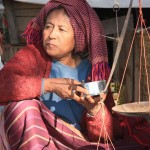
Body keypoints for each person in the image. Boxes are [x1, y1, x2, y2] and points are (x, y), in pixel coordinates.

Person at [0, 0, 150, 149]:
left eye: (61, 29)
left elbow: (106, 135)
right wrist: (49, 85)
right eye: (48, 27)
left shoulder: (93, 74)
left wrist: (94, 110)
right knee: (23, 107)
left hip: (75, 142)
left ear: (78, 37)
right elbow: (3, 85)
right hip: (39, 140)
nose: (51, 35)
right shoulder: (32, 56)